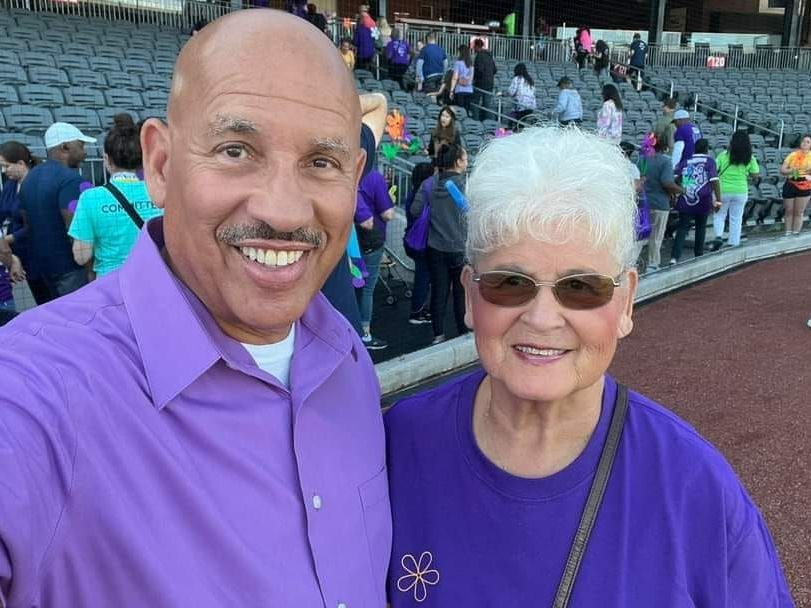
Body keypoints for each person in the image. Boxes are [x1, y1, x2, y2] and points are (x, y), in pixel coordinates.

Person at [0, 11, 390, 607]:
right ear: (159, 164)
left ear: (354, 176)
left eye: (321, 162)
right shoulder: (37, 392)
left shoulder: (344, 355)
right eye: (237, 149)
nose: (285, 212)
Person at [384, 127, 794, 607]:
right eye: (510, 282)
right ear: (471, 295)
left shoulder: (694, 487)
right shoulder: (394, 445)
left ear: (625, 303)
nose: (540, 318)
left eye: (581, 287)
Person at [68, 114, 161, 278]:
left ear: (106, 159)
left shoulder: (91, 198)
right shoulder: (161, 191)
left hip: (113, 282)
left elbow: (81, 256)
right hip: (156, 276)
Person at [18, 122, 95, 303]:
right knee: (79, 323)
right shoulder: (70, 180)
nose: (85, 152)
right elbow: (75, 229)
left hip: (41, 269)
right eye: (81, 145)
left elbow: (27, 223)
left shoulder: (30, 178)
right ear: (65, 147)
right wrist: (90, 268)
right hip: (69, 270)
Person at [410, 143, 468, 344]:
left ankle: (438, 335)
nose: (467, 162)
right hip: (460, 247)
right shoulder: (467, 184)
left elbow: (415, 211)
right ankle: (463, 334)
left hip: (436, 246)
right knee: (461, 294)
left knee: (439, 292)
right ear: (458, 161)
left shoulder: (430, 184)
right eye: (465, 158)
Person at [354, 167, 395, 350]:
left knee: (352, 285)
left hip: (349, 242)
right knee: (367, 288)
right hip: (370, 240)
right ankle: (364, 333)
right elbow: (387, 214)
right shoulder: (374, 177)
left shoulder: (343, 173)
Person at [0, 141, 42, 304]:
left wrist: (6, 240)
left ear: (20, 163)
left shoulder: (36, 185)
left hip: (37, 252)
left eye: (6, 166)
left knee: (45, 296)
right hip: (18, 251)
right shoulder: (10, 185)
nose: (4, 171)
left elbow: (35, 224)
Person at [670, 139, 721, 264]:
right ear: (706, 149)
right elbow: (714, 181)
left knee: (682, 228)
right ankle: (698, 255)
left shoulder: (686, 161)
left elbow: (675, 177)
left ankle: (674, 257)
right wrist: (718, 200)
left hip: (686, 197)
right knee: (700, 227)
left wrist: (681, 188)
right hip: (703, 198)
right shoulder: (709, 161)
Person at [711, 131, 760, 251]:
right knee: (736, 217)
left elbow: (714, 169)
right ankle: (734, 242)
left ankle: (718, 236)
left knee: (719, 215)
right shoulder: (750, 157)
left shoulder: (723, 155)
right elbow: (755, 174)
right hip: (740, 191)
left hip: (722, 190)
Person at [644, 135, 682, 272]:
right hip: (660, 203)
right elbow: (667, 182)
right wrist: (681, 191)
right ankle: (652, 264)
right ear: (664, 147)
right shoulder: (666, 161)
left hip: (643, 202)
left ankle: (631, 263)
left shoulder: (642, 160)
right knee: (656, 236)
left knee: (639, 236)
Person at [403, 162, 434, 325]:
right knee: (423, 278)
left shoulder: (411, 196)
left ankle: (421, 309)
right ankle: (416, 312)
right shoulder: (425, 199)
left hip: (411, 241)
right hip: (423, 244)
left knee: (423, 276)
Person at [779, 134, 811, 236]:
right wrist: (792, 170)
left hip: (804, 184)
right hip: (790, 183)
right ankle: (788, 232)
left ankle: (796, 232)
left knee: (799, 211)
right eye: (803, 141)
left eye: (808, 142)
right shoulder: (792, 155)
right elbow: (783, 170)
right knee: (789, 210)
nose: (805, 143)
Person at [503, 62, 537, 126]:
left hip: (521, 105)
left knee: (515, 122)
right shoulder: (530, 80)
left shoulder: (517, 79)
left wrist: (503, 94)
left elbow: (511, 92)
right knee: (521, 123)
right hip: (531, 105)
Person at [471, 38, 497, 121]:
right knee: (487, 105)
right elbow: (495, 70)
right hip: (490, 83)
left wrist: (474, 79)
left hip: (480, 84)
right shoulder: (489, 56)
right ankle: (489, 122)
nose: (473, 48)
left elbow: (479, 70)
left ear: (477, 46)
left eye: (474, 46)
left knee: (475, 103)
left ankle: (476, 120)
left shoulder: (479, 56)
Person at [449, 45, 474, 112]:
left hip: (460, 90)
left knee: (460, 111)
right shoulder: (471, 64)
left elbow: (455, 78)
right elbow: (471, 78)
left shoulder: (458, 63)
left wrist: (451, 91)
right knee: (467, 111)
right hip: (469, 90)